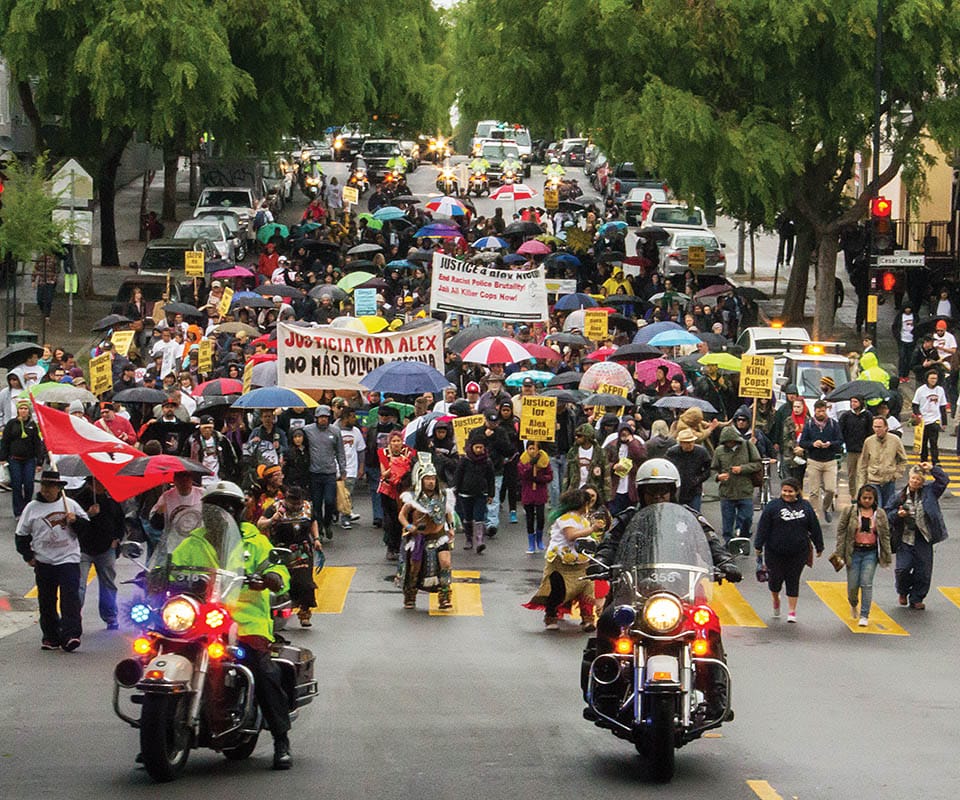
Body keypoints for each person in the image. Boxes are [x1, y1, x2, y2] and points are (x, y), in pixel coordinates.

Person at [589, 459, 741, 719]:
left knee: (710, 627)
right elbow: (609, 543)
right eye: (652, 491)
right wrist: (600, 561)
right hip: (636, 594)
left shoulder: (691, 518)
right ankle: (605, 693)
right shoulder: (628, 518)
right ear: (641, 492)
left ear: (674, 491)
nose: (659, 496)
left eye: (664, 490)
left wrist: (725, 562)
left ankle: (717, 697)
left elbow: (711, 541)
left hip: (683, 594)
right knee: (608, 621)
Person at [172, 481, 293, 769]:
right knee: (157, 648)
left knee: (263, 670)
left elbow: (277, 569)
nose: (221, 512)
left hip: (246, 620)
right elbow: (171, 566)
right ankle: (160, 729)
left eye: (228, 506)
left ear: (238, 510)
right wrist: (154, 576)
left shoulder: (255, 541)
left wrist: (273, 577)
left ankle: (281, 738)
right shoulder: (193, 542)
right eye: (215, 507)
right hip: (199, 618)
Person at [15, 469, 89, 651]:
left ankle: (71, 634)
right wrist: (28, 556)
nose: (46, 490)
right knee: (47, 600)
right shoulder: (32, 508)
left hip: (68, 558)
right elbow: (21, 535)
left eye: (51, 486)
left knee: (70, 598)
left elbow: (87, 530)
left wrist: (76, 521)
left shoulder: (70, 505)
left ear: (58, 488)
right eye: (44, 486)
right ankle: (51, 636)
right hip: (44, 560)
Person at [524, 488, 603, 631]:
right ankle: (551, 617)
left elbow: (589, 538)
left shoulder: (584, 519)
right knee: (558, 591)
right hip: (561, 563)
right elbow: (571, 536)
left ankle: (588, 620)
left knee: (587, 588)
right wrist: (592, 529)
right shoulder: (566, 519)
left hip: (581, 562)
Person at [754, 477, 824, 623]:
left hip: (798, 551)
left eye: (790, 491)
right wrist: (758, 545)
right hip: (774, 551)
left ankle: (792, 611)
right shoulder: (773, 506)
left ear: (797, 491)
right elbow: (763, 526)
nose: (787, 494)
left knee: (793, 580)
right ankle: (776, 598)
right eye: (784, 491)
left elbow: (814, 527)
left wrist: (819, 546)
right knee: (775, 580)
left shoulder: (805, 507)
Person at [885, 462, 948, 610]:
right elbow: (887, 513)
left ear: (922, 482)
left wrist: (932, 469)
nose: (915, 482)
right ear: (909, 478)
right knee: (903, 569)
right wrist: (897, 515)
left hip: (923, 537)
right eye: (913, 478)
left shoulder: (930, 492)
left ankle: (917, 597)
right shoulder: (898, 496)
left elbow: (944, 480)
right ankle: (903, 591)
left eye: (918, 480)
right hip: (905, 537)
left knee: (923, 571)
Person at [397, 459, 457, 610]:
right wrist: (409, 526)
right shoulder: (413, 498)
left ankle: (444, 597)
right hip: (419, 538)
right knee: (415, 568)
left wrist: (451, 527)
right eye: (427, 479)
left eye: (432, 479)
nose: (430, 482)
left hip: (439, 536)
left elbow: (448, 512)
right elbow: (402, 515)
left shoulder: (443, 495)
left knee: (445, 564)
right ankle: (410, 594)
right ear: (421, 480)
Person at [258, 485, 320, 627]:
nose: (296, 506)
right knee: (283, 584)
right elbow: (260, 524)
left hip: (302, 550)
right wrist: (272, 520)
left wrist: (316, 539)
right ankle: (279, 614)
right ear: (286, 500)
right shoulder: (275, 508)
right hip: (281, 550)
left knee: (305, 583)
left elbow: (313, 521)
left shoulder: (307, 507)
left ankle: (305, 613)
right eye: (293, 503)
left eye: (298, 503)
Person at [834, 484, 892, 626]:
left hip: (870, 553)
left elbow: (885, 536)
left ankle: (864, 615)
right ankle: (853, 603)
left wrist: (887, 556)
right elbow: (841, 532)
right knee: (853, 585)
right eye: (864, 498)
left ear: (874, 499)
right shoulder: (850, 511)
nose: (867, 501)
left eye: (870, 498)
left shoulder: (880, 513)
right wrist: (839, 552)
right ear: (859, 498)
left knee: (866, 583)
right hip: (853, 552)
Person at [74, 477, 124, 630]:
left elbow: (119, 520)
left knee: (108, 584)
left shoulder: (112, 498)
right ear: (91, 483)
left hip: (106, 547)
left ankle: (110, 616)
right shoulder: (79, 499)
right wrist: (88, 515)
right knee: (79, 585)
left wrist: (117, 538)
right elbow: (74, 524)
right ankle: (74, 618)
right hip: (84, 548)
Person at [711, 426, 761, 544]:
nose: (730, 444)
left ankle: (743, 537)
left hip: (745, 490)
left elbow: (757, 464)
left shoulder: (748, 446)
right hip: (727, 491)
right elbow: (713, 469)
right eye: (727, 442)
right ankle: (728, 543)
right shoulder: (719, 451)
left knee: (747, 518)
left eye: (731, 441)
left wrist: (742, 468)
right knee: (727, 523)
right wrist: (718, 477)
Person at [303, 405, 345, 541]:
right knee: (316, 502)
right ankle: (319, 527)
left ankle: (327, 523)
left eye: (326, 417)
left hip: (330, 473)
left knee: (329, 501)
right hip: (314, 472)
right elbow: (295, 436)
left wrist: (342, 469)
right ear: (316, 418)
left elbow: (340, 451)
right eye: (321, 417)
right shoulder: (308, 430)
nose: (323, 420)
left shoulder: (335, 431)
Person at [798, 399, 842, 522]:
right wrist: (813, 444)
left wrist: (830, 444)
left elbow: (839, 441)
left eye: (823, 411)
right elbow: (802, 442)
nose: (821, 414)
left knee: (830, 489)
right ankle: (814, 515)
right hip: (814, 461)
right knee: (814, 491)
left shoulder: (833, 424)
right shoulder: (809, 425)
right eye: (818, 411)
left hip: (830, 461)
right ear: (815, 411)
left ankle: (826, 507)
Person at [0, 399, 45, 518]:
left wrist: (39, 461)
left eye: (25, 409)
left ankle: (27, 507)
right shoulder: (12, 424)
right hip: (14, 459)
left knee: (29, 484)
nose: (23, 411)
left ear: (29, 411)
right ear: (18, 410)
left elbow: (37, 444)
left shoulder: (32, 425)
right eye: (21, 409)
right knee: (16, 484)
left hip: (29, 460)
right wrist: (3, 457)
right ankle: (18, 510)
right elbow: (5, 441)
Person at [378, 430, 416, 560]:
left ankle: (403, 546)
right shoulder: (383, 453)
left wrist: (403, 464)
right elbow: (384, 474)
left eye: (398, 441)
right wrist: (395, 465)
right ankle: (391, 547)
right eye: (393, 441)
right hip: (388, 490)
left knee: (404, 518)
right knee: (390, 520)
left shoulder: (408, 453)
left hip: (403, 490)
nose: (396, 444)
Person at [453, 438, 495, 553]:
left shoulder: (487, 461)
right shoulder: (465, 460)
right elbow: (458, 476)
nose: (478, 450)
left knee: (479, 516)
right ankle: (468, 539)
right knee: (467, 517)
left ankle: (480, 540)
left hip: (481, 493)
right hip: (465, 493)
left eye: (481, 447)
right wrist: (455, 490)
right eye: (476, 447)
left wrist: (491, 494)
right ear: (472, 447)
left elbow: (491, 478)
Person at [603, 422, 647, 516]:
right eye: (622, 433)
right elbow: (603, 463)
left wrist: (631, 443)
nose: (624, 436)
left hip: (631, 487)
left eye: (627, 433)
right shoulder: (612, 445)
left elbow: (641, 457)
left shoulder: (637, 444)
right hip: (615, 488)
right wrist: (613, 466)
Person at [332, 406, 365, 528]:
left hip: (351, 469)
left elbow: (361, 450)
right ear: (345, 418)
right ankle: (336, 513)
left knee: (347, 494)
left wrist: (361, 468)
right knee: (337, 495)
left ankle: (345, 518)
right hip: (336, 469)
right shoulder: (335, 430)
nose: (354, 419)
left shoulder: (356, 431)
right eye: (352, 417)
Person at [517, 440, 553, 554]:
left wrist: (539, 478)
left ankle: (539, 539)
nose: (532, 451)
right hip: (528, 493)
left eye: (534, 448)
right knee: (530, 518)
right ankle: (531, 543)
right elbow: (522, 475)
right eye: (530, 448)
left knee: (541, 518)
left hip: (540, 493)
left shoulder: (544, 461)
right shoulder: (523, 461)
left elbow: (549, 476)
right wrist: (530, 466)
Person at [666, 428, 713, 511]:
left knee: (695, 514)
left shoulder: (701, 452)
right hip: (678, 489)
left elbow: (709, 468)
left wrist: (699, 479)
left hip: (694, 489)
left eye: (692, 441)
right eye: (687, 443)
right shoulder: (672, 453)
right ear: (681, 443)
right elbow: (667, 467)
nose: (690, 444)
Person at [563, 423, 609, 505]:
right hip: (575, 491)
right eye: (576, 435)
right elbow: (567, 474)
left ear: (587, 437)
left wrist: (607, 496)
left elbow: (606, 475)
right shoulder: (573, 452)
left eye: (579, 436)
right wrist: (564, 492)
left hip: (593, 492)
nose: (576, 437)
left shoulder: (600, 452)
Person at [838, 396, 873, 501]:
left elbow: (870, 432)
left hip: (863, 450)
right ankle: (853, 494)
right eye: (851, 401)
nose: (853, 404)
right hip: (850, 449)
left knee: (861, 473)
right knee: (851, 474)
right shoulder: (846, 416)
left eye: (855, 401)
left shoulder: (867, 415)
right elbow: (841, 431)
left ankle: (860, 494)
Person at [911, 369, 948, 464]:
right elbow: (915, 405)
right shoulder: (921, 390)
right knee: (923, 442)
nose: (933, 380)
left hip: (934, 419)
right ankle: (924, 459)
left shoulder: (940, 390)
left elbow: (942, 406)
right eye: (931, 378)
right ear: (927, 379)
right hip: (923, 420)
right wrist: (918, 415)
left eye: (935, 378)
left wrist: (944, 422)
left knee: (934, 442)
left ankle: (935, 460)